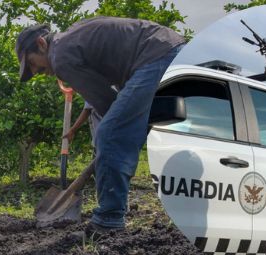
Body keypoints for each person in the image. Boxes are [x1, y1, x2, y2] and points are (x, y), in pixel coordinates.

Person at [16, 17, 185, 237]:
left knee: (108, 134)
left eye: (32, 63)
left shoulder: (60, 56)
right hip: (170, 50)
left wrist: (118, 134)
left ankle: (108, 221)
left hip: (157, 56)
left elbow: (105, 101)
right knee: (132, 129)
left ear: (41, 43)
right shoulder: (70, 38)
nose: (36, 71)